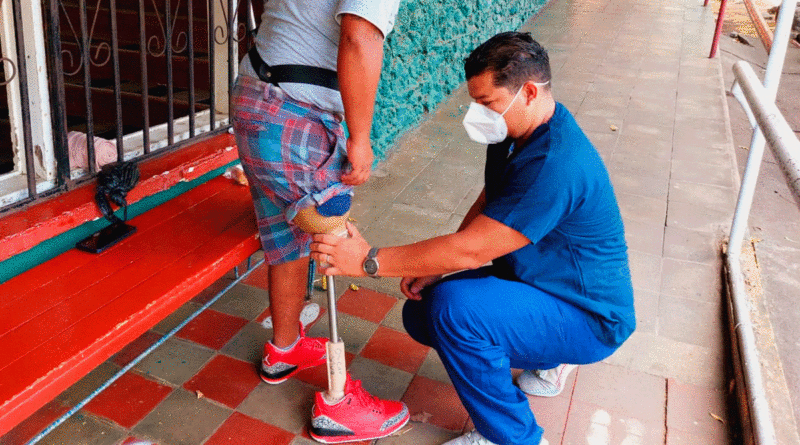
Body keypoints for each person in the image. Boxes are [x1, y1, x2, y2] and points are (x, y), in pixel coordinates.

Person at [310, 32, 635, 445]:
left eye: (487, 103)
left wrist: (368, 260)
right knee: (423, 313)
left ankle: (513, 436)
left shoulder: (556, 162)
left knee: (455, 311)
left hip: (590, 316)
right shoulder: (519, 132)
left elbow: (473, 250)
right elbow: (490, 201)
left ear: (529, 92)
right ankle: (550, 353)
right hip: (544, 283)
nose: (479, 114)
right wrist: (433, 268)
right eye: (475, 102)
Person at [230, 1, 409, 442]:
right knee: (331, 236)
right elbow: (359, 36)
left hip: (257, 102)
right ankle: (336, 405)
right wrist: (361, 139)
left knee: (286, 237)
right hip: (294, 114)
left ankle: (284, 350)